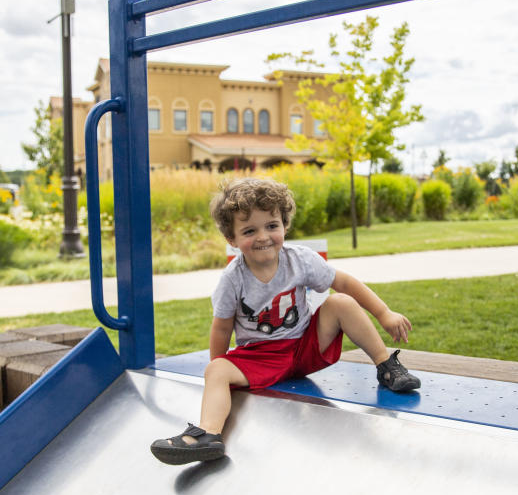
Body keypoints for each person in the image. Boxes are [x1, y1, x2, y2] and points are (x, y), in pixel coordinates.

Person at [151, 177, 421, 465]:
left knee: (340, 302)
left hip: (305, 347)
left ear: (284, 225)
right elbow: (222, 327)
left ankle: (386, 367)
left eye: (271, 226)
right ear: (231, 239)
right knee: (216, 368)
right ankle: (208, 435)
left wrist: (384, 313)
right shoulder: (233, 279)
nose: (263, 236)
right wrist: (220, 375)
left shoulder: (300, 259)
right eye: (249, 230)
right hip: (261, 358)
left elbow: (343, 282)